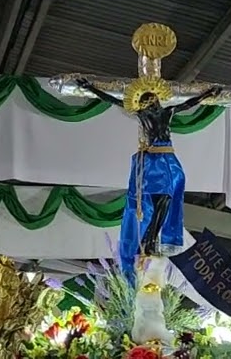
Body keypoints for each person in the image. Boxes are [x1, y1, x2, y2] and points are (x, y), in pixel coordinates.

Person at [76, 78, 222, 280]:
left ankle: (152, 238)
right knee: (156, 199)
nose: (152, 105)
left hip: (167, 159)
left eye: (152, 101)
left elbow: (189, 103)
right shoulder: (142, 114)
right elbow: (114, 100)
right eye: (148, 102)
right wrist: (91, 88)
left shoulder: (167, 113)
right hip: (153, 161)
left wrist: (207, 94)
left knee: (167, 199)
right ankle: (149, 240)